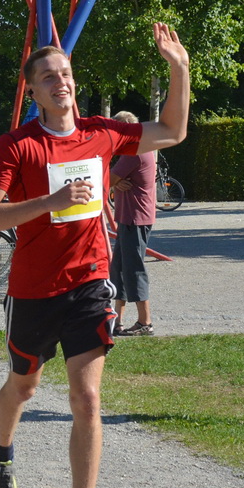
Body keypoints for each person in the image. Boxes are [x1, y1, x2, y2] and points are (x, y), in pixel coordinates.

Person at [0, 26, 190, 488]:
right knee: (22, 388)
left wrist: (178, 69)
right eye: (49, 77)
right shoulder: (17, 146)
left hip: (90, 282)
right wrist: (51, 200)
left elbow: (174, 131)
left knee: (87, 398)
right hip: (32, 289)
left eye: (65, 74)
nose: (61, 82)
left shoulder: (101, 132)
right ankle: (1, 451)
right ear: (35, 91)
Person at [108, 111, 157, 335]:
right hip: (130, 217)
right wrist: (117, 184)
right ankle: (117, 321)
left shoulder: (135, 152)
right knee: (118, 268)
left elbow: (106, 179)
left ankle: (145, 323)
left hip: (135, 218)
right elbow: (114, 180)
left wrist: (114, 182)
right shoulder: (138, 149)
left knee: (134, 268)